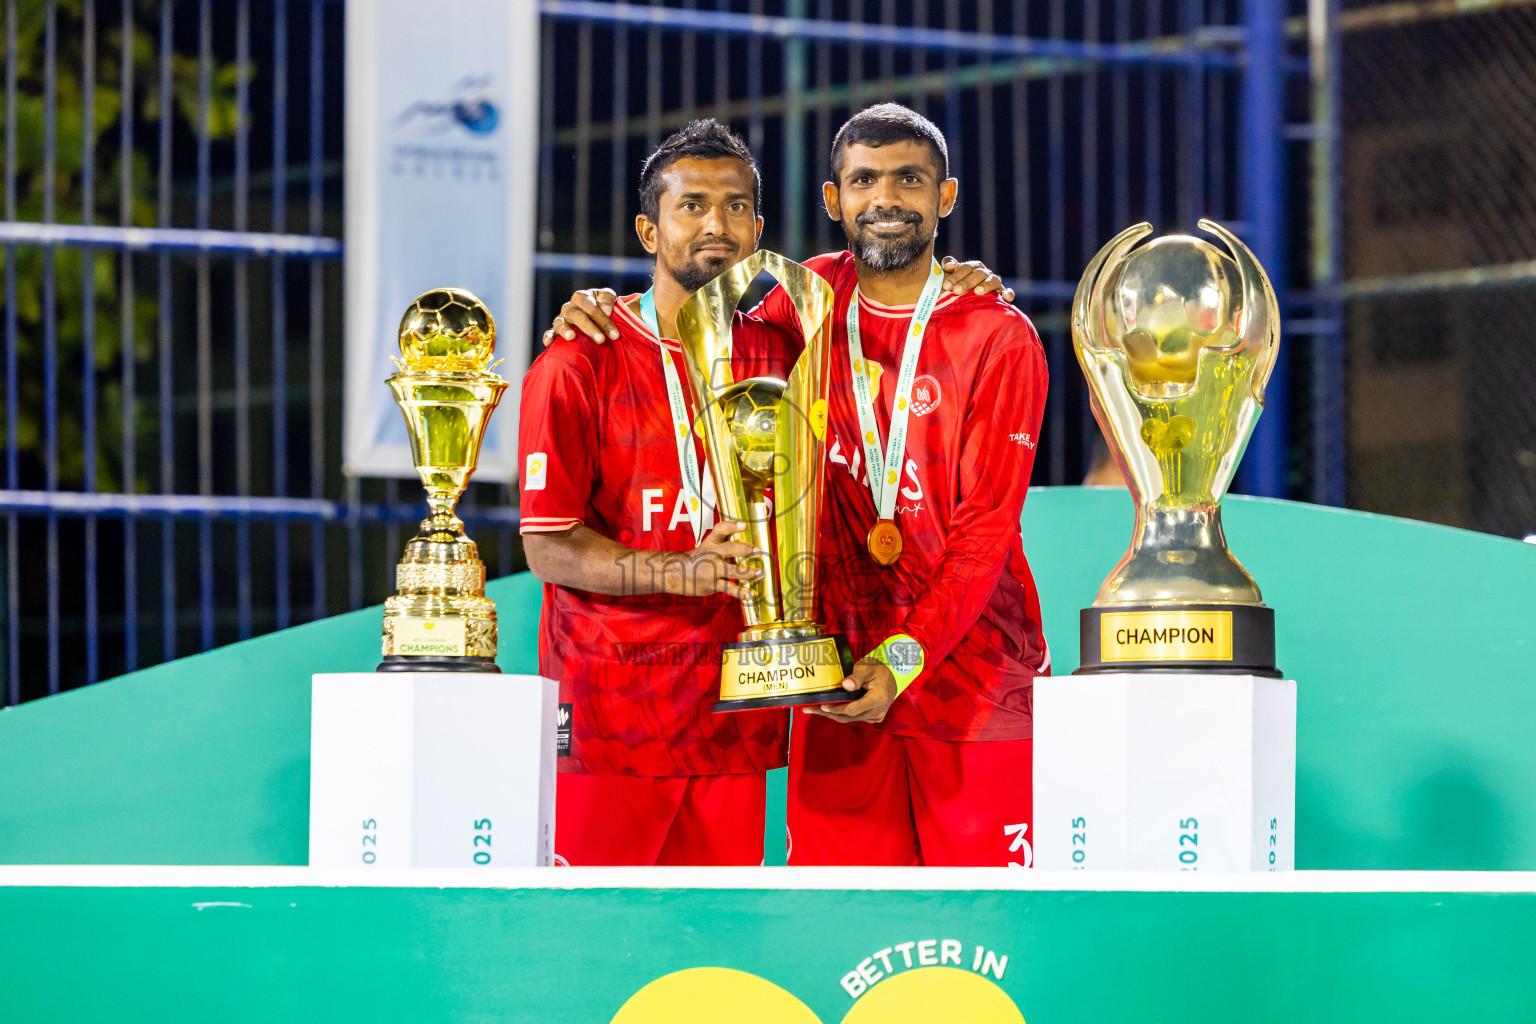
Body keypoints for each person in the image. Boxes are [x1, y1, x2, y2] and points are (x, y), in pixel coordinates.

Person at [540, 109, 1035, 867]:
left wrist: (904, 657)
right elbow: (680, 315)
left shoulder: (993, 333)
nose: (887, 199)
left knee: (992, 938)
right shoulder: (800, 307)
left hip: (967, 685)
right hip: (832, 688)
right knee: (837, 939)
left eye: (911, 179)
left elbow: (984, 533)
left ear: (947, 197)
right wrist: (593, 306)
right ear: (834, 201)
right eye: (865, 180)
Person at [519, 121, 791, 865]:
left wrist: (962, 275)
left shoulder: (784, 355)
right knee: (595, 959)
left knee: (715, 965)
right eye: (693, 205)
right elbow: (547, 547)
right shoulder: (582, 358)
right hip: (612, 721)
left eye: (737, 207)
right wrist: (682, 571)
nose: (716, 223)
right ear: (649, 229)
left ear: (758, 230)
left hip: (733, 719)